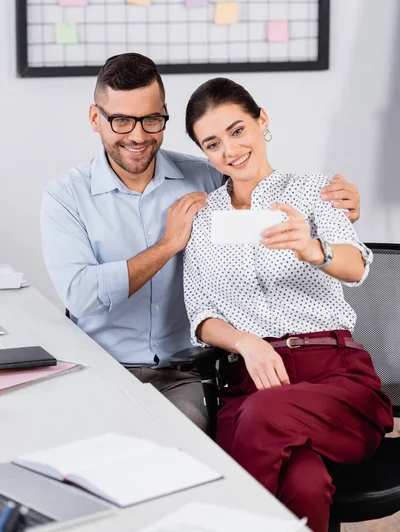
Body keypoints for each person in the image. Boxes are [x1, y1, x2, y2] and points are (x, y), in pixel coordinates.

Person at [40, 52, 361, 433]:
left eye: (151, 119)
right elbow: (80, 296)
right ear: (96, 119)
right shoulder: (65, 196)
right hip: (103, 367)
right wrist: (167, 245)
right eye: (121, 120)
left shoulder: (207, 179)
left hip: (187, 374)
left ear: (164, 115)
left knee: (190, 455)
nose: (138, 135)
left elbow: (262, 196)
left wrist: (339, 204)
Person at [183, 77, 393, 531]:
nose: (231, 150)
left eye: (238, 130)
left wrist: (314, 250)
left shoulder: (317, 191)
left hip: (337, 378)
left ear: (262, 121)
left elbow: (357, 267)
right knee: (305, 484)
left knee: (262, 417)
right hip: (252, 378)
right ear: (204, 152)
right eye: (213, 143)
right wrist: (246, 342)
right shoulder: (204, 219)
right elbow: (200, 315)